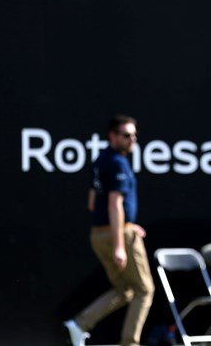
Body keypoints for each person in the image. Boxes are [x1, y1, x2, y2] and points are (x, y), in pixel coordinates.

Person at [63, 115, 155, 346]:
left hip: (100, 235)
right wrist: (120, 244)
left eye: (134, 135)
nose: (132, 139)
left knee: (125, 290)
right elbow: (114, 204)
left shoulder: (101, 160)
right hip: (117, 236)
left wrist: (126, 224)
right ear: (112, 136)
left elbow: (93, 203)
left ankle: (80, 324)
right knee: (144, 290)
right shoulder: (116, 163)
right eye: (126, 135)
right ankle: (129, 343)